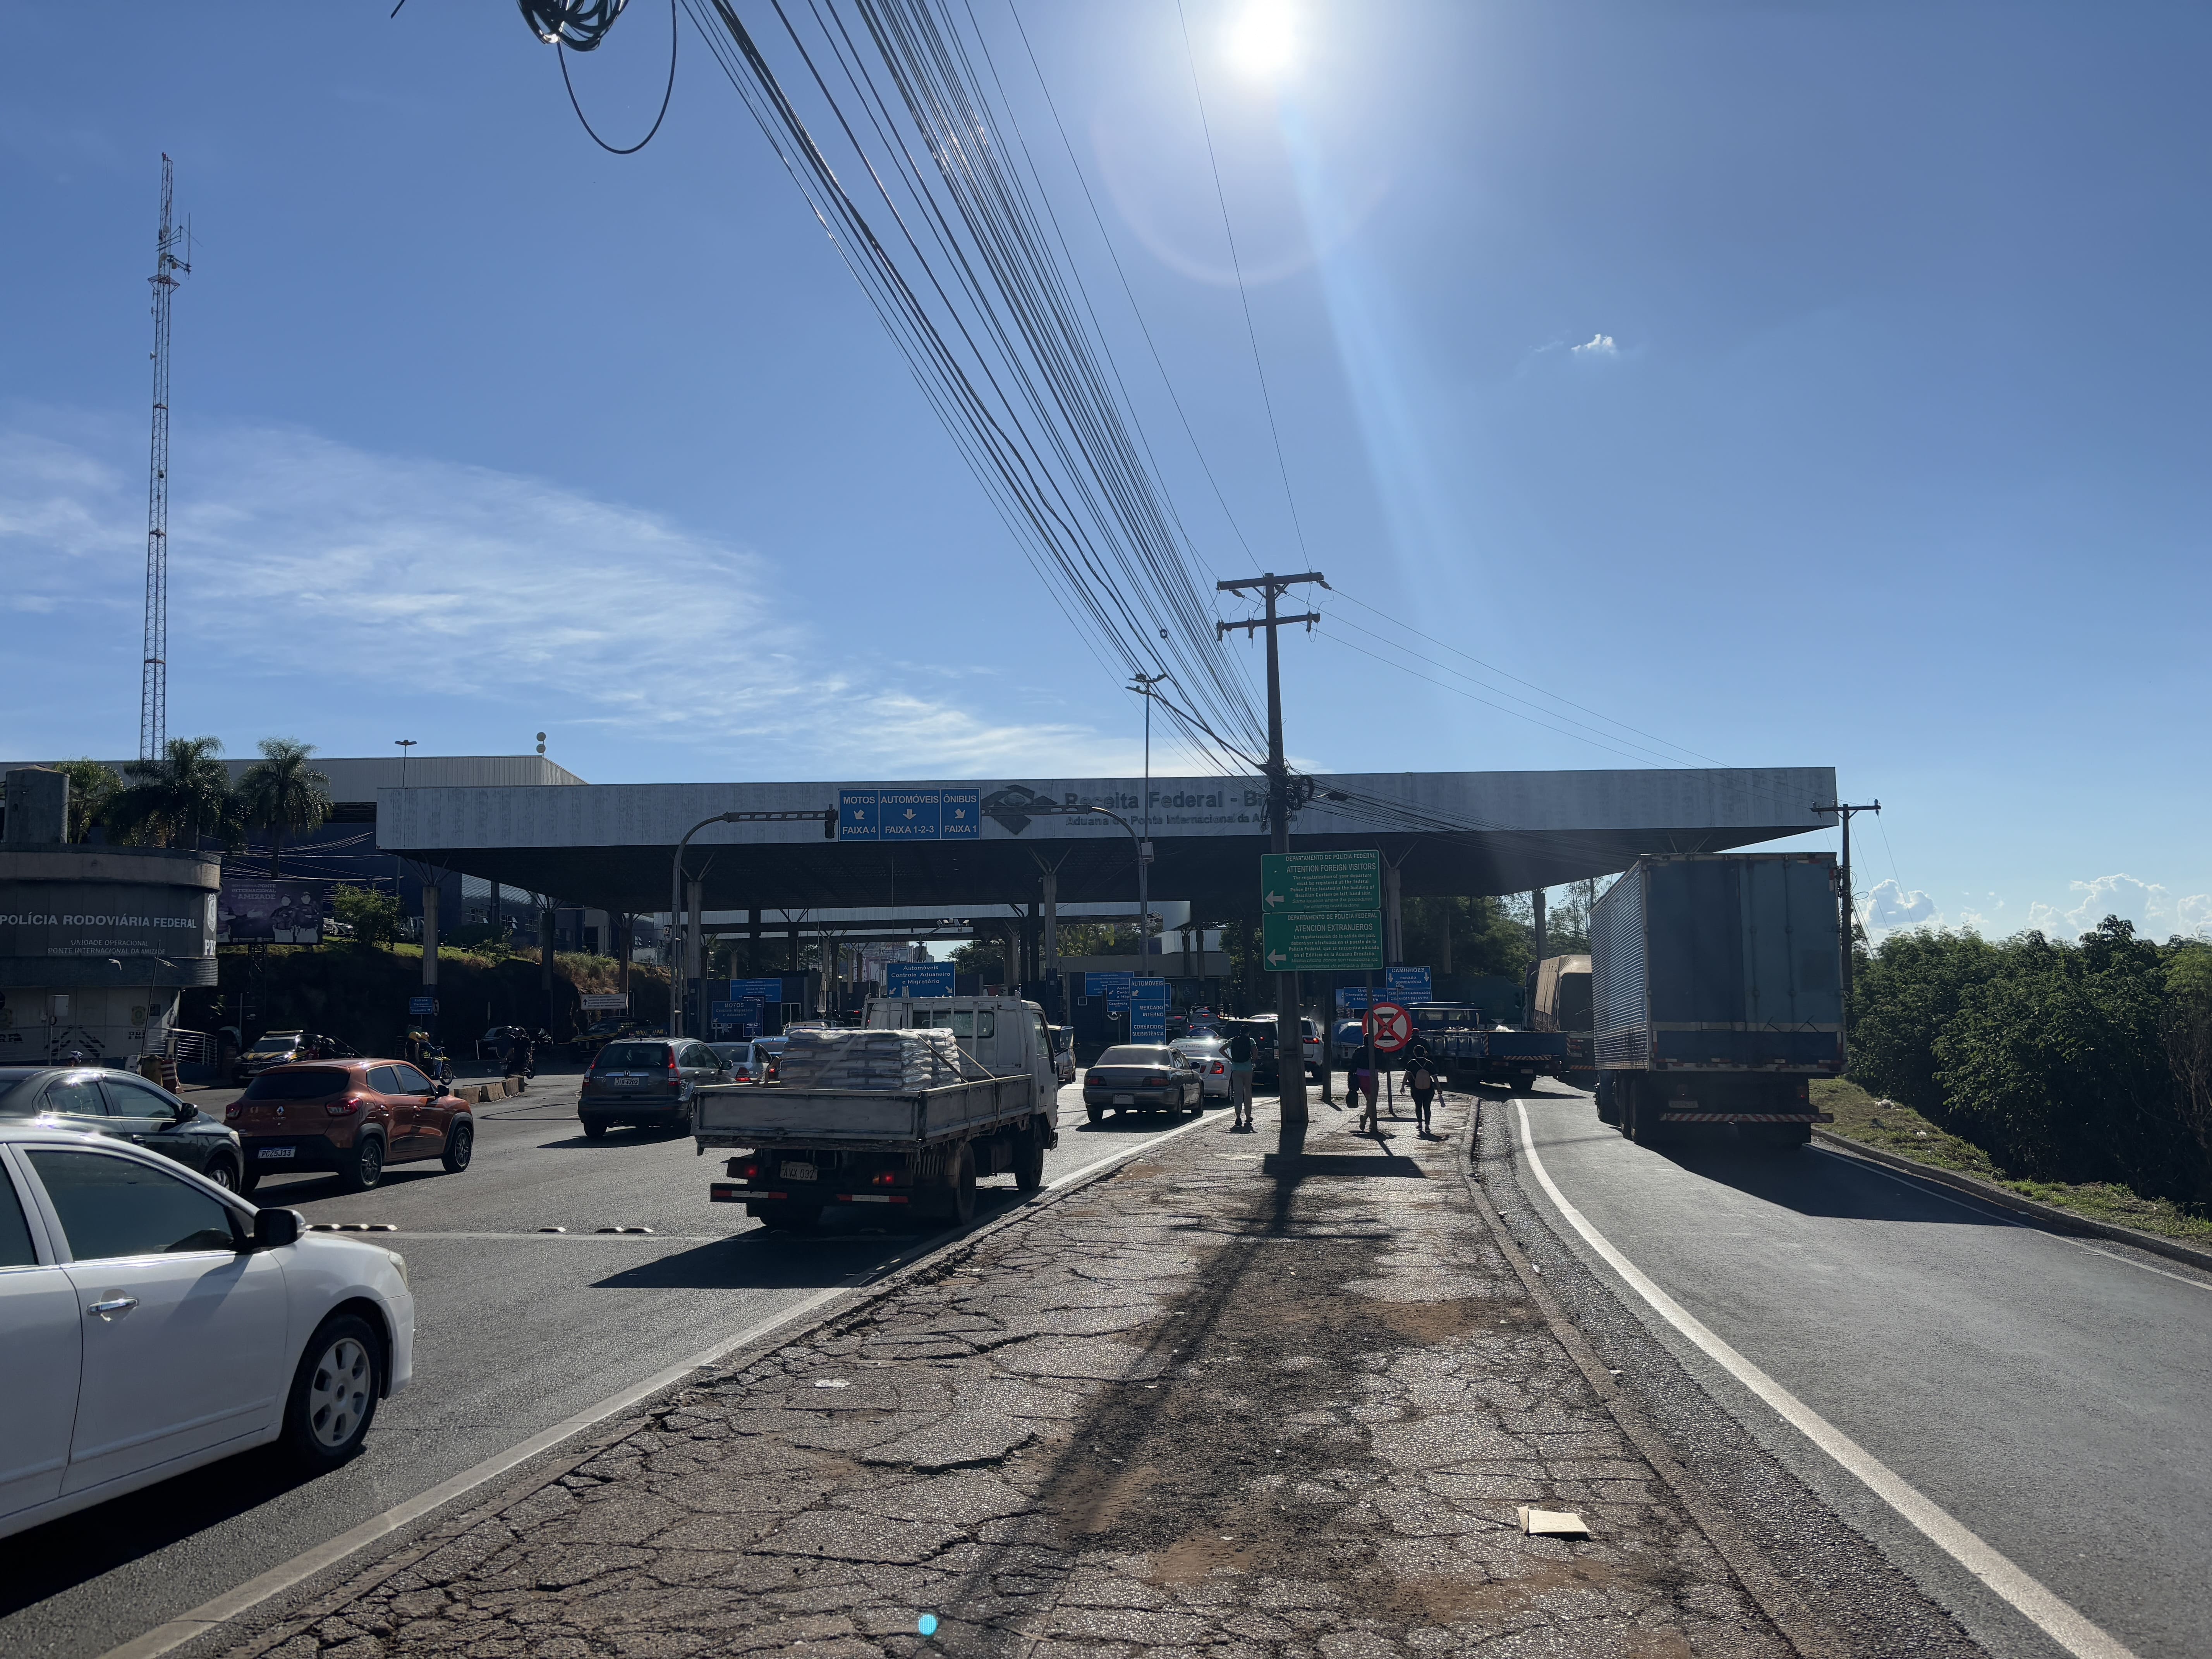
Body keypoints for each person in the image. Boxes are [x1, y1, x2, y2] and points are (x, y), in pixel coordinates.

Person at [1225, 1028, 1257, 1132]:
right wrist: (1253, 1060)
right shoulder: (1251, 1041)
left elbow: (1221, 1050)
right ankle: (1248, 1116)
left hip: (1236, 1070)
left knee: (1238, 1093)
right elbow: (1256, 1053)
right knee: (1248, 1092)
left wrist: (1231, 1059)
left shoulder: (1232, 1041)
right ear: (1248, 1032)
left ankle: (1238, 1116)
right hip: (1247, 1070)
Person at [1404, 1051, 1438, 1137]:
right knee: (1427, 1107)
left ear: (1415, 1053)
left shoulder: (1412, 1063)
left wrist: (1403, 1085)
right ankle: (1427, 1126)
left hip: (1416, 1088)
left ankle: (1420, 1124)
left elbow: (1407, 1075)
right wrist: (1439, 1088)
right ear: (1424, 1053)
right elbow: (1435, 1077)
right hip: (1429, 1088)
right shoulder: (1429, 1063)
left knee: (1418, 1106)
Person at [1353, 1061, 1379, 1134]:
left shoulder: (1359, 1051)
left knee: (1370, 1100)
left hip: (1361, 1076)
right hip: (1373, 1075)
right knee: (1372, 1100)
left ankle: (1370, 1122)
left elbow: (1354, 1063)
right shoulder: (1376, 1050)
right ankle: (1366, 1119)